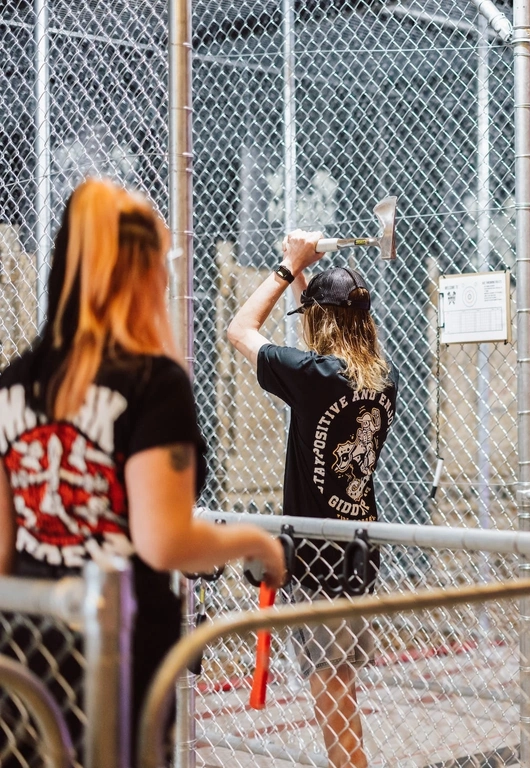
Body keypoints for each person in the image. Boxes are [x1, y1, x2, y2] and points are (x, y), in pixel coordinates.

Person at [0, 177, 286, 765]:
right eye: (162, 261)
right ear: (142, 270)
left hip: (26, 650)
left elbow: (2, 550)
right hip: (120, 653)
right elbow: (166, 540)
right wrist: (257, 540)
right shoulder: (153, 382)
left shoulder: (11, 384)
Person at [227, 231, 398, 768]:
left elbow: (240, 329)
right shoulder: (379, 379)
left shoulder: (311, 377)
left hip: (319, 563)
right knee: (341, 687)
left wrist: (286, 266)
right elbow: (323, 337)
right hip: (358, 553)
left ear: (318, 322)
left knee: (330, 694)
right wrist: (309, 279)